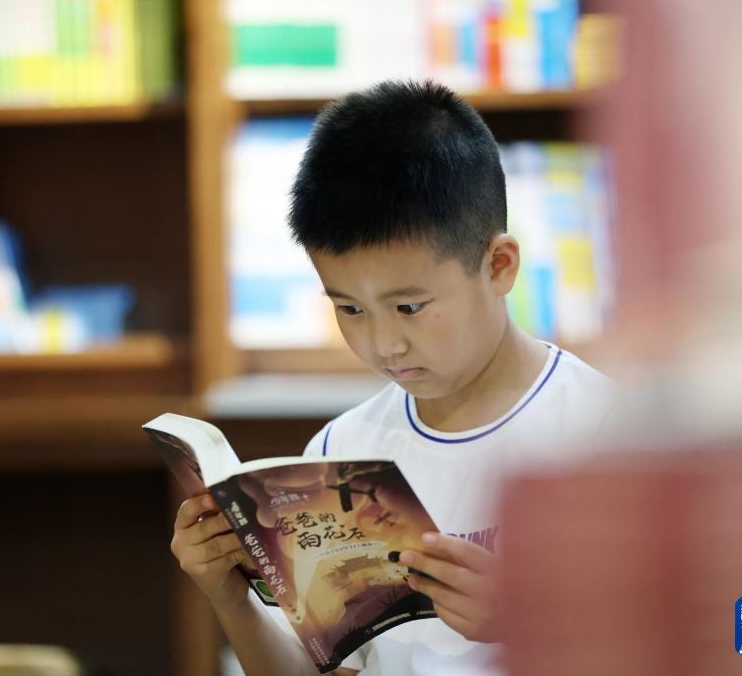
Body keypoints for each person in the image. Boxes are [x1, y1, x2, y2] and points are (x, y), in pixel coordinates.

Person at [170, 80, 614, 675]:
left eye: (409, 307)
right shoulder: (340, 454)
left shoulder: (609, 431)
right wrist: (230, 597)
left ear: (499, 265)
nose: (384, 344)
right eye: (349, 308)